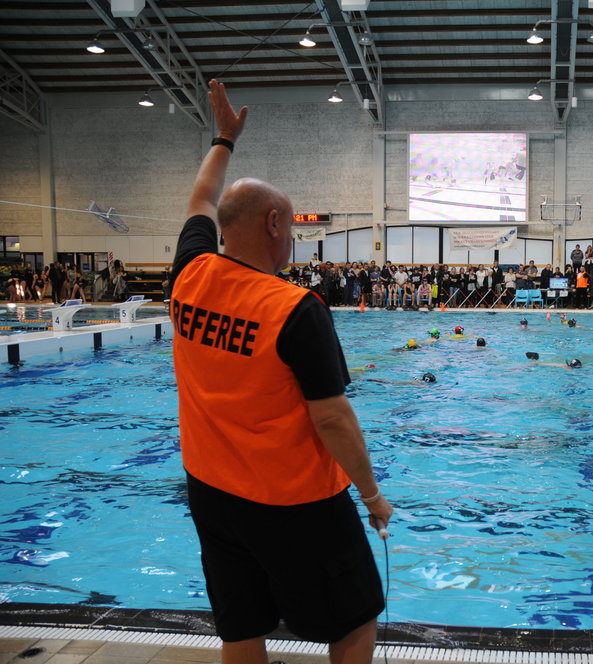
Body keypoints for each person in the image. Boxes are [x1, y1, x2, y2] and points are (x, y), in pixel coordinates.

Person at [169, 79, 391, 664]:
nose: (292, 239)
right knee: (356, 615)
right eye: (291, 228)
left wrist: (223, 139)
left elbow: (200, 200)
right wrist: (372, 495)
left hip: (210, 491)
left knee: (241, 624)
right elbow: (332, 419)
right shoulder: (294, 309)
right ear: (272, 224)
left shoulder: (188, 275)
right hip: (294, 500)